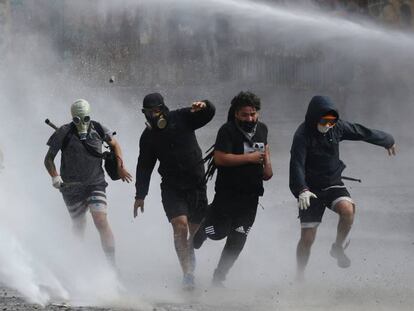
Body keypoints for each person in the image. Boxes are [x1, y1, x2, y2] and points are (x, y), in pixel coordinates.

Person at [289, 95, 396, 280]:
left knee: (348, 210)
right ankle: (299, 275)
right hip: (310, 189)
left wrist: (387, 140)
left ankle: (337, 248)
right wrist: (301, 190)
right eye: (324, 121)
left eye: (332, 121)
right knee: (307, 238)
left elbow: (362, 132)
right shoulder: (302, 135)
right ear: (314, 117)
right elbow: (296, 164)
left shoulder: (337, 128)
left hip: (332, 182)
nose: (328, 125)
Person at [133, 92, 215, 290]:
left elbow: (208, 114)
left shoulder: (182, 117)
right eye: (147, 112)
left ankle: (190, 251)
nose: (152, 116)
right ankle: (187, 274)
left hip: (196, 183)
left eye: (155, 111)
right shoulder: (148, 137)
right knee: (180, 226)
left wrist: (204, 104)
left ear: (162, 109)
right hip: (172, 187)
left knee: (193, 234)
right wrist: (140, 195)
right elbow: (144, 166)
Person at [193, 91, 273, 287]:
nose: (250, 118)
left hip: (251, 197)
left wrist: (267, 167)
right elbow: (219, 158)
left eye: (253, 114)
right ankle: (204, 228)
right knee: (217, 233)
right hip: (227, 195)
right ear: (236, 114)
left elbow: (265, 152)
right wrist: (249, 158)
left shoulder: (262, 129)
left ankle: (219, 277)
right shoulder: (227, 131)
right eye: (245, 115)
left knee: (239, 237)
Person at [44, 99, 132, 267]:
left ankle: (112, 265)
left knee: (100, 220)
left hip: (95, 184)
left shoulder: (99, 129)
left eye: (85, 118)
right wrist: (55, 176)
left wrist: (120, 165)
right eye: (77, 119)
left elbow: (115, 145)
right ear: (72, 118)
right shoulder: (64, 132)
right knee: (78, 224)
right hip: (71, 187)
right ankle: (78, 263)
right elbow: (48, 159)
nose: (82, 122)